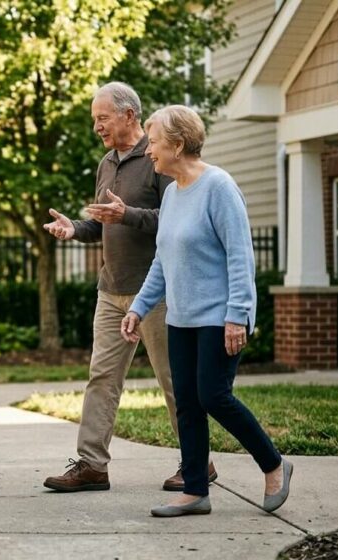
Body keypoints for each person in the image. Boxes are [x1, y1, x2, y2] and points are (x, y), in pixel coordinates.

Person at [42, 82, 217, 493]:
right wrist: (76, 229)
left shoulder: (160, 156)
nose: (97, 127)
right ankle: (91, 465)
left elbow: (173, 218)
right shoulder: (106, 163)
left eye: (102, 118)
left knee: (174, 380)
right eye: (94, 119)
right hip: (112, 288)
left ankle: (198, 463)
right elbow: (107, 220)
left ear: (128, 115)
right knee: (101, 377)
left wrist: (128, 216)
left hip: (154, 290)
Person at [121, 104, 292, 517]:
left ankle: (274, 464)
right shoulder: (174, 194)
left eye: (155, 142)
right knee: (188, 403)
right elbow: (162, 262)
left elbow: (240, 256)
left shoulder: (218, 186)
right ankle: (195, 490)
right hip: (181, 317)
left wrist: (237, 314)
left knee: (213, 396)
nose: (149, 151)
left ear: (178, 145)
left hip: (220, 317)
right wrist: (140, 308)